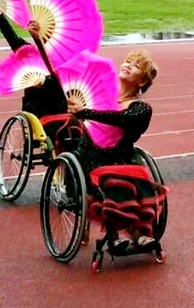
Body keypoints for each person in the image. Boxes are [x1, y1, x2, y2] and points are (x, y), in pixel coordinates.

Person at [65, 50, 159, 244]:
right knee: (112, 179)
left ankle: (138, 232)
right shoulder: (99, 94)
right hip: (91, 155)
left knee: (133, 177)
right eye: (127, 61)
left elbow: (123, 119)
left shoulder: (140, 108)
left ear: (141, 81)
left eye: (136, 65)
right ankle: (114, 234)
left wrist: (87, 113)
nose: (127, 65)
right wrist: (78, 112)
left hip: (120, 156)